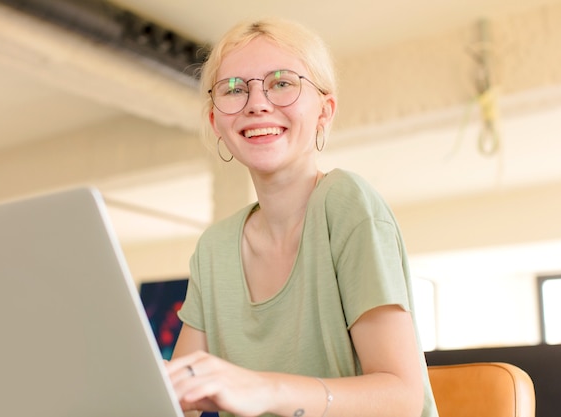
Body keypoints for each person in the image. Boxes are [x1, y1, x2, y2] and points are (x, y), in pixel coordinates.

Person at [165, 18, 439, 417]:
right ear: (216, 123)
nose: (256, 103)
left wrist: (264, 389)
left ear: (324, 111)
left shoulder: (346, 204)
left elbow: (401, 399)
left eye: (281, 83)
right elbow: (177, 398)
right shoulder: (215, 248)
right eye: (234, 89)